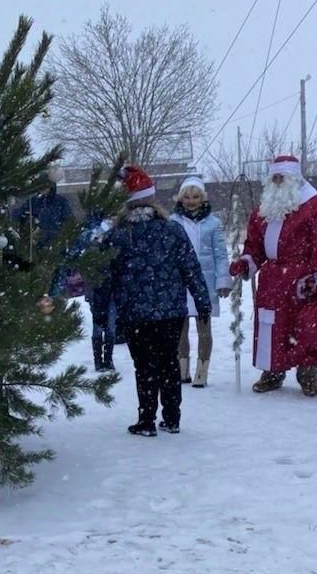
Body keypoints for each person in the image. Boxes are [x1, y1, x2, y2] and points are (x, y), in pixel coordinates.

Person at [96, 167, 210, 437]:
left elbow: (104, 276)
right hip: (171, 311)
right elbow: (190, 267)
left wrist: (101, 310)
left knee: (144, 365)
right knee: (169, 362)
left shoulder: (118, 235)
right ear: (153, 201)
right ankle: (172, 418)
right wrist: (202, 300)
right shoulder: (172, 230)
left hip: (135, 313)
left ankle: (146, 419)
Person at [230, 155, 317, 397]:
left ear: (294, 178)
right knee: (270, 325)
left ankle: (308, 374)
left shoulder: (316, 206)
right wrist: (247, 262)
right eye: (273, 177)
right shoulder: (263, 209)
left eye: (281, 177)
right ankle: (272, 370)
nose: (277, 181)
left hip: (302, 279)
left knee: (304, 324)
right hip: (272, 279)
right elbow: (254, 245)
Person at [170, 177, 231, 387]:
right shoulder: (172, 222)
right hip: (180, 284)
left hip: (205, 284)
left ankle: (201, 372)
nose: (191, 201)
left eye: (195, 197)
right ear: (181, 198)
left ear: (202, 198)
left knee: (204, 330)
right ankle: (182, 370)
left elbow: (220, 254)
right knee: (180, 331)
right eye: (187, 197)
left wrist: (223, 279)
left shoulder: (213, 223)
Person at [12, 178, 72, 250]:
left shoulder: (61, 201)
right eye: (40, 187)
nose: (42, 189)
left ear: (51, 187)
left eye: (45, 186)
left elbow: (68, 220)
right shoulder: (33, 201)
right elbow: (19, 213)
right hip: (36, 241)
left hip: (55, 242)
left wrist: (61, 235)